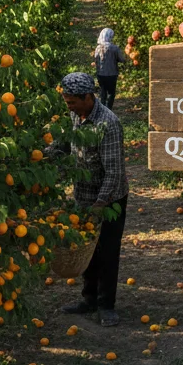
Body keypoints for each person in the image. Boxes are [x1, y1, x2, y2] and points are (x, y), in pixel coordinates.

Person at [55, 71, 129, 326]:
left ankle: (106, 305)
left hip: (110, 199)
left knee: (107, 251)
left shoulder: (107, 124)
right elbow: (65, 144)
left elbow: (114, 172)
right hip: (84, 195)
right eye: (67, 102)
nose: (70, 107)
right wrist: (41, 156)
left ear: (88, 97)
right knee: (87, 249)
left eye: (72, 102)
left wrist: (100, 205)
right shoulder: (76, 115)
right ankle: (88, 299)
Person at [93, 28, 124, 110]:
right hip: (112, 74)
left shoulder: (98, 48)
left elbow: (96, 60)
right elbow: (122, 59)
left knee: (103, 91)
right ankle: (109, 108)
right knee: (111, 92)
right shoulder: (114, 48)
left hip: (101, 74)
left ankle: (102, 108)